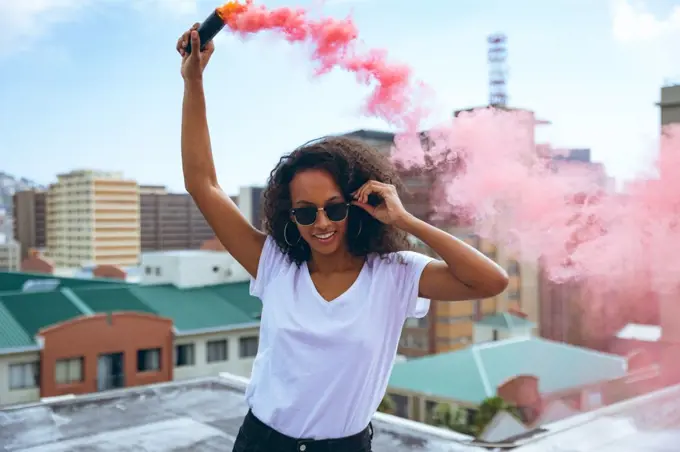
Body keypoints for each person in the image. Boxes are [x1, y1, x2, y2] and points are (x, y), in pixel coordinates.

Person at [177, 23, 509, 452]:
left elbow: (491, 282)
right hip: (261, 442)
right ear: (288, 214)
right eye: (304, 212)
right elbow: (202, 183)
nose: (321, 223)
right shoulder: (274, 263)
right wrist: (194, 80)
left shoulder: (395, 274)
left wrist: (406, 221)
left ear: (357, 204)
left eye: (335, 208)